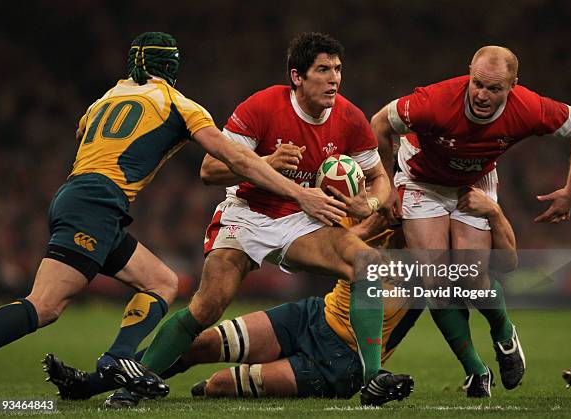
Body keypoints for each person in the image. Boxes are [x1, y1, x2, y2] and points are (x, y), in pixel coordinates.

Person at [0, 32, 345, 396]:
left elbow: (87, 132)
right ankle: (116, 361)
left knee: (163, 281)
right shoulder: (179, 104)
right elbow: (232, 158)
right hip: (96, 204)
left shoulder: (103, 100)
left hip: (79, 196)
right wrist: (298, 193)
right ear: (173, 67)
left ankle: (117, 358)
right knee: (46, 305)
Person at [102, 32, 393, 408]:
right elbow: (210, 170)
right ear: (297, 76)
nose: (334, 78)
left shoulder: (349, 118)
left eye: (337, 69)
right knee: (208, 306)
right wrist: (268, 163)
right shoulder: (263, 106)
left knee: (366, 266)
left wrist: (368, 205)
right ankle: (131, 389)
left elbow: (380, 178)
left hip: (301, 219)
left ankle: (373, 379)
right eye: (322, 70)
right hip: (249, 215)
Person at [44, 187, 517, 402]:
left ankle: (194, 389)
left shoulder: (433, 262)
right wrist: (376, 214)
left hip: (341, 361)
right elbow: (361, 226)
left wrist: (479, 366)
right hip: (310, 316)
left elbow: (466, 297)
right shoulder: (378, 229)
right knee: (197, 343)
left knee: (220, 384)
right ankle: (94, 384)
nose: (409, 212)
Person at [370, 46, 571, 393]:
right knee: (433, 280)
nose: (482, 95)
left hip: (473, 182)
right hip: (421, 180)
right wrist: (385, 186)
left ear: (513, 86)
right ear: (469, 74)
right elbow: (379, 123)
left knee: (471, 278)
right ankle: (477, 370)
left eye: (494, 89)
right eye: (477, 84)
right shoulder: (434, 101)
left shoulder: (530, 108)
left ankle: (504, 334)